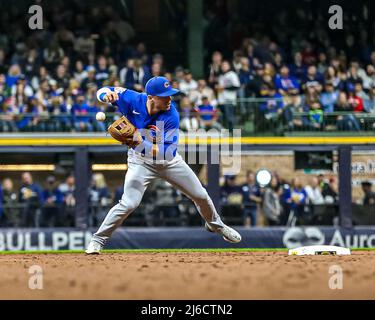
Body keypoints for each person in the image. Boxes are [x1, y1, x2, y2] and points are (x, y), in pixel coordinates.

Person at [85, 76, 241, 254]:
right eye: (164, 96)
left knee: (201, 195)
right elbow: (102, 91)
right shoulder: (132, 99)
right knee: (129, 203)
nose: (169, 99)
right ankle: (97, 240)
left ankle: (217, 225)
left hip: (169, 162)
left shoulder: (171, 115)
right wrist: (107, 97)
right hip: (140, 162)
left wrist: (137, 143)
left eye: (170, 95)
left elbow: (165, 153)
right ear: (151, 97)